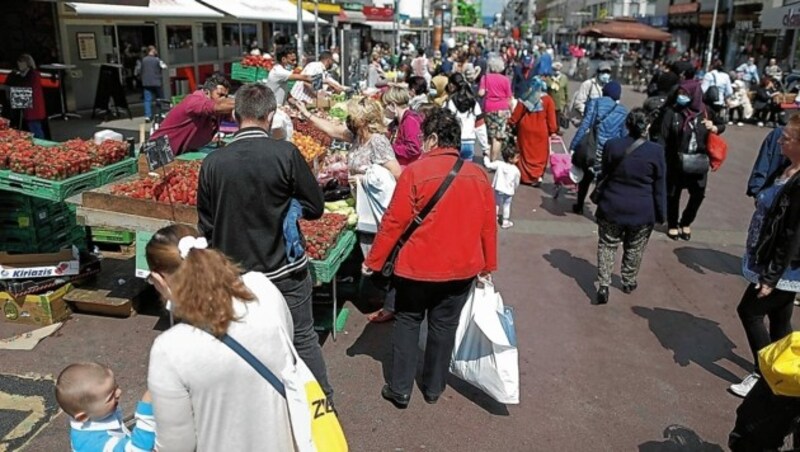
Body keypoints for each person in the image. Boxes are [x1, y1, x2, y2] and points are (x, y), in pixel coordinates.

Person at [197, 84, 333, 399]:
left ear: (234, 114)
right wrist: (289, 208)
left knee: (242, 341)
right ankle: (321, 407)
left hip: (236, 274)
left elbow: (206, 225)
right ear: (271, 116)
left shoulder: (214, 163)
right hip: (285, 270)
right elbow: (315, 208)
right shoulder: (285, 153)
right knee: (302, 338)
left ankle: (257, 406)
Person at [364, 108, 497, 408]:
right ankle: (434, 386)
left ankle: (400, 388)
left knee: (408, 321)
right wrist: (488, 265)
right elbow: (488, 226)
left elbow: (393, 223)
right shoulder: (478, 174)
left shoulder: (415, 172)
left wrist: (373, 261)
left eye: (424, 138)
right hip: (462, 267)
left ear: (434, 138)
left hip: (416, 268)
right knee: (444, 325)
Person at [144, 225, 298, 450]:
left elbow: (176, 446)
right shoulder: (262, 289)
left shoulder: (170, 349)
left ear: (159, 278)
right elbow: (286, 352)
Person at [293, 97, 402, 323]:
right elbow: (333, 130)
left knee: (381, 255)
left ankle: (391, 304)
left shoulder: (378, 141)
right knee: (368, 252)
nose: (348, 121)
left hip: (375, 210)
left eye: (352, 117)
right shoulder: (356, 137)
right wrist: (307, 113)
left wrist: (364, 178)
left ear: (363, 119)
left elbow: (396, 174)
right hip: (360, 205)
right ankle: (377, 295)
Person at [729, 115, 800, 398]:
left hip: (782, 269)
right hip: (771, 260)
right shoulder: (787, 169)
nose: (779, 141)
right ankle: (787, 373)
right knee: (780, 320)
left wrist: (771, 277)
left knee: (749, 311)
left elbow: (793, 235)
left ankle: (765, 374)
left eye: (786, 138)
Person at [593, 108, 667, 305]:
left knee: (607, 244)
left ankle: (603, 284)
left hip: (612, 204)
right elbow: (659, 186)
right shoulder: (656, 151)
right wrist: (661, 214)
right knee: (635, 247)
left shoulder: (612, 145)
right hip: (642, 209)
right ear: (647, 127)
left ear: (627, 125)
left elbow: (604, 173)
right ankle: (628, 280)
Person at [657, 79, 726, 241]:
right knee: (673, 194)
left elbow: (721, 125)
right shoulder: (671, 112)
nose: (681, 97)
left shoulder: (706, 111)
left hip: (699, 160)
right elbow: (662, 137)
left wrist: (714, 127)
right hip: (676, 160)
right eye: (680, 93)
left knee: (698, 194)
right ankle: (673, 224)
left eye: (685, 94)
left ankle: (686, 222)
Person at [56, 362, 155, 452]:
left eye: (115, 387)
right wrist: (146, 413)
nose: (119, 392)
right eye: (110, 396)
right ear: (82, 417)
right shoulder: (95, 444)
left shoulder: (92, 414)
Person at [570, 80, 629, 214]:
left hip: (593, 148)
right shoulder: (622, 111)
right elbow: (623, 134)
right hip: (609, 151)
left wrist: (574, 144)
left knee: (586, 178)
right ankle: (600, 211)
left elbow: (585, 125)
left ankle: (579, 206)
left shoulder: (595, 103)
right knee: (604, 180)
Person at [150, 73, 235, 155]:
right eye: (220, 95)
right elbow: (216, 106)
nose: (224, 99)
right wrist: (245, 102)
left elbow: (235, 116)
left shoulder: (220, 109)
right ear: (206, 93)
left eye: (226, 96)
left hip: (184, 151)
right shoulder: (194, 101)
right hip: (158, 150)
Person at [510, 77, 558, 186]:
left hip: (525, 129)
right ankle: (536, 176)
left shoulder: (526, 96)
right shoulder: (548, 100)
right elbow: (551, 119)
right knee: (540, 154)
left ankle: (524, 176)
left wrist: (511, 122)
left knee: (524, 152)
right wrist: (553, 131)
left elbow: (517, 114)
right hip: (541, 130)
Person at [445, 72, 489, 161]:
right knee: (466, 171)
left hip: (455, 142)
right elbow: (480, 126)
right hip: (469, 143)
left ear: (451, 85)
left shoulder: (450, 102)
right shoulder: (474, 103)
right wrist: (485, 147)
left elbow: (447, 123)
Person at [478, 55, 513, 161]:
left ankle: (488, 157)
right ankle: (494, 160)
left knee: (490, 135)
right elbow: (509, 98)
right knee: (498, 137)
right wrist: (511, 111)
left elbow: (481, 93)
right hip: (502, 108)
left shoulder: (485, 77)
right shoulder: (505, 80)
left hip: (489, 107)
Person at [7, 54, 47, 139]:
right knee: (33, 127)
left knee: (35, 128)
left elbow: (25, 86)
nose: (19, 65)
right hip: (28, 105)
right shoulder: (26, 74)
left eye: (21, 63)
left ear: (27, 63)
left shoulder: (32, 74)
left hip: (33, 106)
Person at [384, 86, 424, 167]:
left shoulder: (410, 121)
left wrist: (389, 148)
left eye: (385, 106)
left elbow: (413, 149)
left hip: (409, 167)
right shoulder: (397, 122)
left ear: (393, 105)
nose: (385, 109)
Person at [483, 143, 521, 228]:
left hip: (498, 188)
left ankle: (493, 218)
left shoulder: (499, 164)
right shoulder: (516, 170)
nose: (518, 159)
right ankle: (505, 221)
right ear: (511, 159)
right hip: (509, 191)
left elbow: (488, 165)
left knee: (496, 203)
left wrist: (485, 156)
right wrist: (514, 188)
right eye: (517, 157)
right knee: (507, 205)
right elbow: (516, 182)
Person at [747, 127, 786, 198]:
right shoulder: (779, 133)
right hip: (767, 198)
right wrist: (758, 192)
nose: (780, 141)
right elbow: (762, 165)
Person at [139, 46, 166, 122]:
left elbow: (141, 71)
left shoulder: (144, 60)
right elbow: (164, 67)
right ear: (152, 51)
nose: (156, 51)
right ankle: (161, 113)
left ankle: (147, 116)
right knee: (160, 98)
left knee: (147, 99)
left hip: (146, 82)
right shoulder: (157, 60)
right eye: (154, 49)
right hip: (156, 82)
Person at [548, 61, 570, 130]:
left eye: (558, 70)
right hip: (551, 101)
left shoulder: (564, 78)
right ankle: (551, 129)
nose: (556, 71)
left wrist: (567, 102)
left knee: (559, 117)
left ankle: (557, 129)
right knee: (551, 117)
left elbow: (566, 91)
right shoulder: (549, 77)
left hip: (560, 102)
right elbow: (548, 86)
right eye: (555, 70)